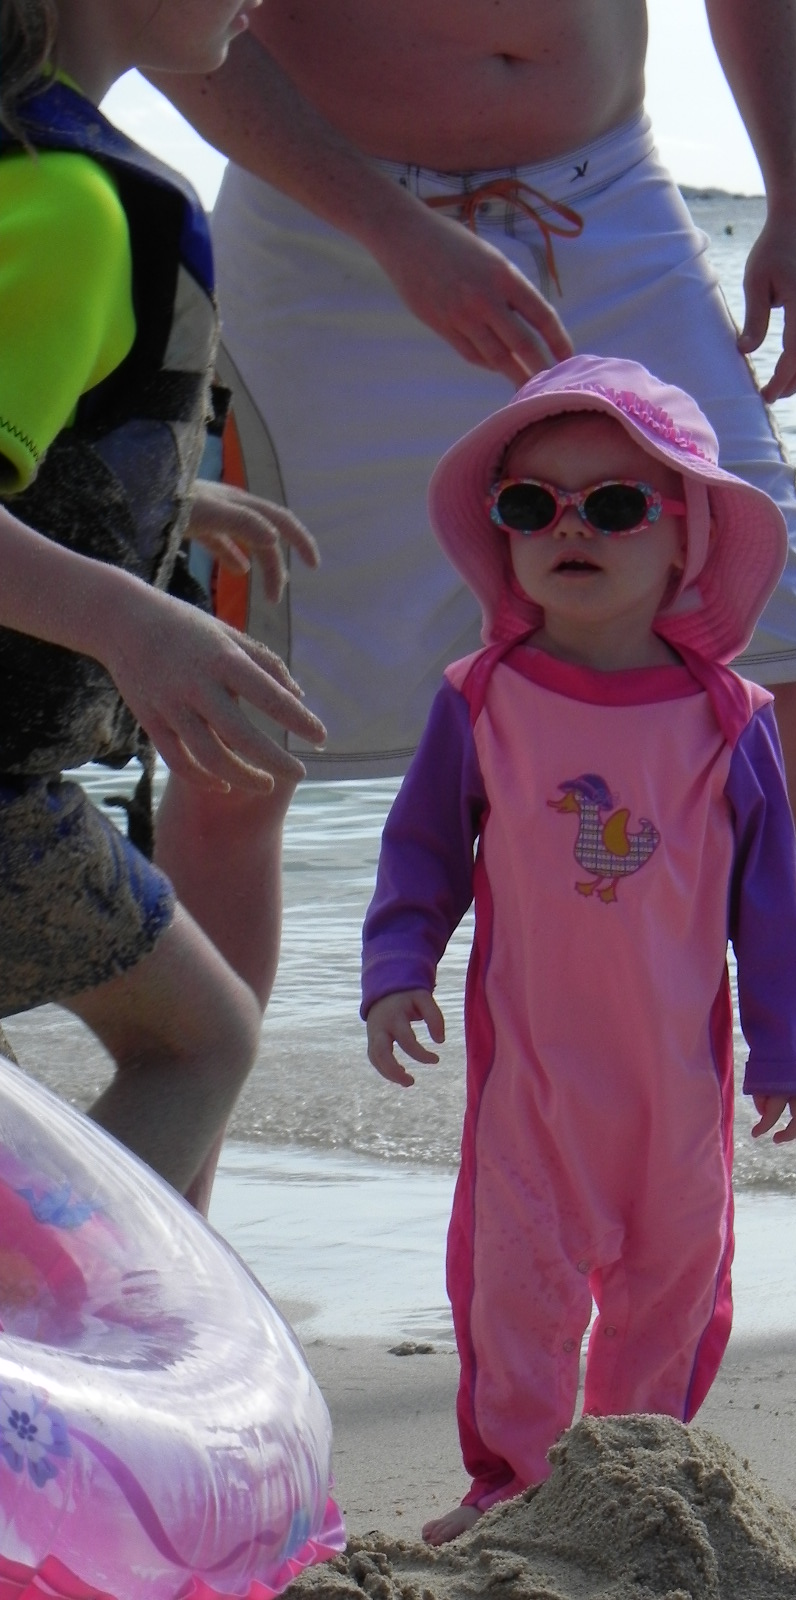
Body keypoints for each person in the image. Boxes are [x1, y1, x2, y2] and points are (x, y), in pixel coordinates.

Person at [156, 0, 796, 1323]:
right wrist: (396, 230)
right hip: (323, 229)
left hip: (604, 206)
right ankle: (168, 1255)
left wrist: (795, 206)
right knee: (237, 738)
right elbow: (173, 27)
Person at [363, 357, 796, 1543]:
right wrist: (397, 971)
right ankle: (513, 1485)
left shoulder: (729, 720)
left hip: (676, 1091)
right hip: (533, 1083)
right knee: (515, 1286)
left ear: (685, 542)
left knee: (675, 1284)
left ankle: (638, 1474)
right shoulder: (483, 700)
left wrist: (787, 1048)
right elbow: (422, 855)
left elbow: (771, 908)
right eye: (533, 505)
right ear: (504, 536)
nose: (571, 528)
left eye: (614, 504)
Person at [0, 0, 326, 1213]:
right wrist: (132, 620)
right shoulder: (76, 203)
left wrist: (169, 497)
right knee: (202, 1039)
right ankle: (54, 1315)